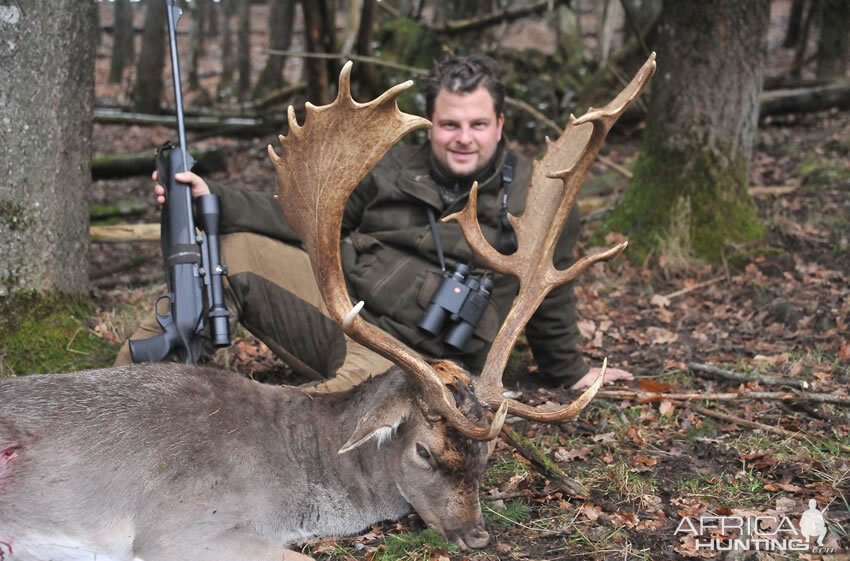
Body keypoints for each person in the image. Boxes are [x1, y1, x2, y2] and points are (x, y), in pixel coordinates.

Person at [115, 55, 632, 393]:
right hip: (340, 309)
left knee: (305, 422)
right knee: (229, 252)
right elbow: (306, 221)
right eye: (449, 124)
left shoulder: (537, 198)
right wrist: (215, 198)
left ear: (499, 125)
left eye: (478, 125)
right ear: (431, 124)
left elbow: (551, 299)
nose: (463, 138)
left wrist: (573, 374)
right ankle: (116, 390)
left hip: (411, 363)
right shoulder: (388, 167)